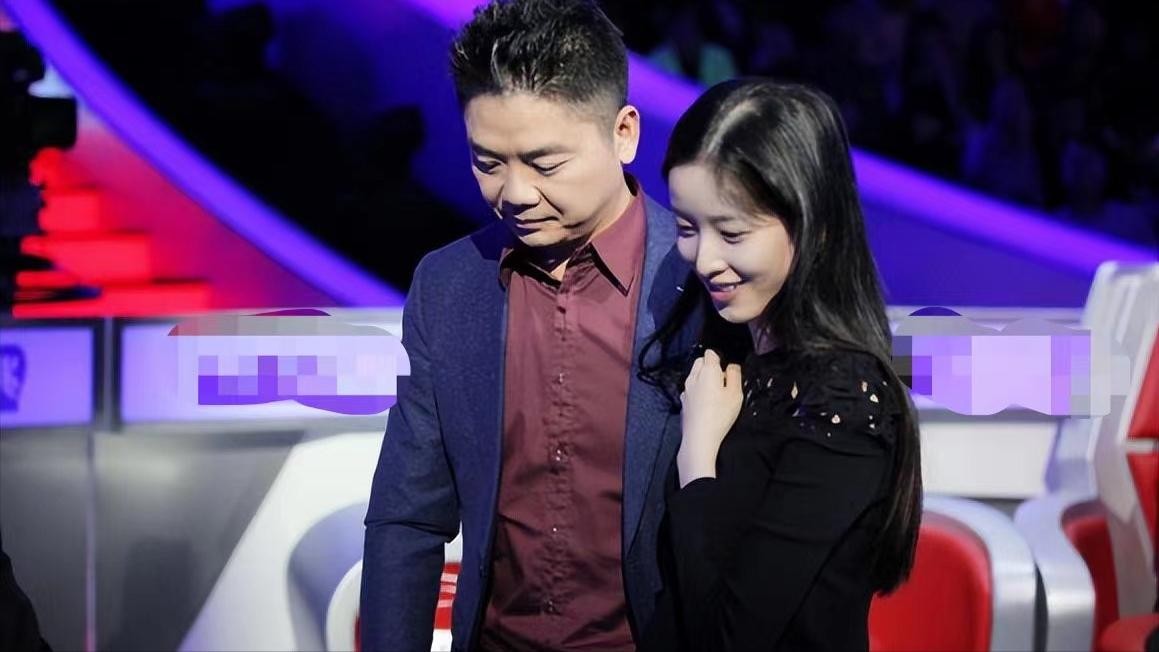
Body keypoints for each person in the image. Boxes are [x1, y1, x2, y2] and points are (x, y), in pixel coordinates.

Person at [360, 1, 697, 650]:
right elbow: (408, 516)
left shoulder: (701, 280)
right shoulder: (448, 284)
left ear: (623, 134)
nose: (513, 192)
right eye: (488, 162)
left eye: (545, 164)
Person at [637, 79, 923, 651]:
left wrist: (698, 458)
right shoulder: (731, 353)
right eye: (688, 228)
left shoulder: (844, 400)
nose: (705, 259)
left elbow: (730, 637)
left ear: (812, 225)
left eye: (732, 233)